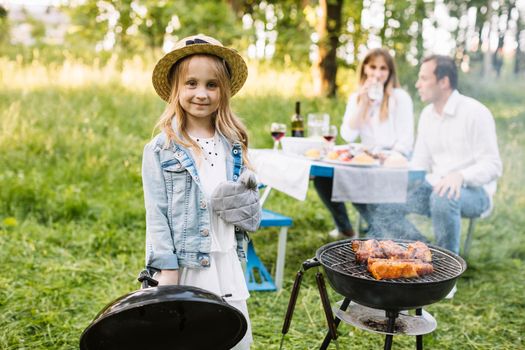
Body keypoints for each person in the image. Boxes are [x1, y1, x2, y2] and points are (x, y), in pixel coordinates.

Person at [142, 34, 259, 349]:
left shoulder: (233, 144)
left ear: (224, 91)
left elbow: (246, 212)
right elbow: (157, 215)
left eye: (212, 85)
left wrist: (247, 205)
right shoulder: (161, 149)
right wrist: (166, 270)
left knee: (232, 337)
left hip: (226, 262)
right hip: (186, 265)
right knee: (186, 336)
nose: (201, 94)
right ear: (175, 90)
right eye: (191, 83)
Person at [370, 55, 502, 257]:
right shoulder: (427, 115)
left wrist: (460, 176)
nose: (417, 84)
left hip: (475, 192)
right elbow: (419, 165)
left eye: (423, 78)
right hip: (435, 186)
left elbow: (493, 166)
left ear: (444, 82)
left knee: (444, 195)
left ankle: (447, 275)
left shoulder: (475, 113)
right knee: (386, 203)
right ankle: (424, 255)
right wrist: (390, 161)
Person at [313, 48, 414, 238]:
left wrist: (385, 157)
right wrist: (363, 104)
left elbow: (405, 142)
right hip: (366, 160)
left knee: (363, 181)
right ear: (365, 69)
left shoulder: (400, 98)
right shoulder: (356, 98)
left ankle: (385, 229)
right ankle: (345, 229)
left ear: (390, 72)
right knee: (323, 177)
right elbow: (348, 135)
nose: (377, 73)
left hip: (392, 161)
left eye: (383, 68)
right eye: (373, 67)